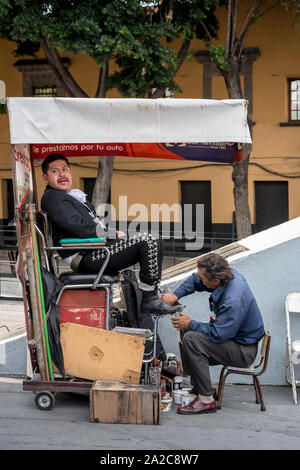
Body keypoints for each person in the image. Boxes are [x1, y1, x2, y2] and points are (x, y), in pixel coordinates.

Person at [41, 153, 181, 315]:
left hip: (94, 250)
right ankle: (149, 300)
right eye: (55, 171)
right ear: (46, 178)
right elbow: (78, 228)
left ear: (71, 172)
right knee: (150, 240)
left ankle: (150, 296)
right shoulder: (54, 198)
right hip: (85, 256)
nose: (62, 174)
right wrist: (111, 234)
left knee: (151, 239)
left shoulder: (69, 197)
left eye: (65, 169)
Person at [161, 252, 265, 415]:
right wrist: (174, 296)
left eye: (203, 279)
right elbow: (195, 280)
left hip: (243, 352)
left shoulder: (233, 301)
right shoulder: (227, 276)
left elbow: (219, 335)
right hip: (234, 340)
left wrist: (191, 323)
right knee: (188, 330)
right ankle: (204, 387)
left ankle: (206, 400)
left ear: (215, 281)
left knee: (192, 339)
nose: (199, 280)